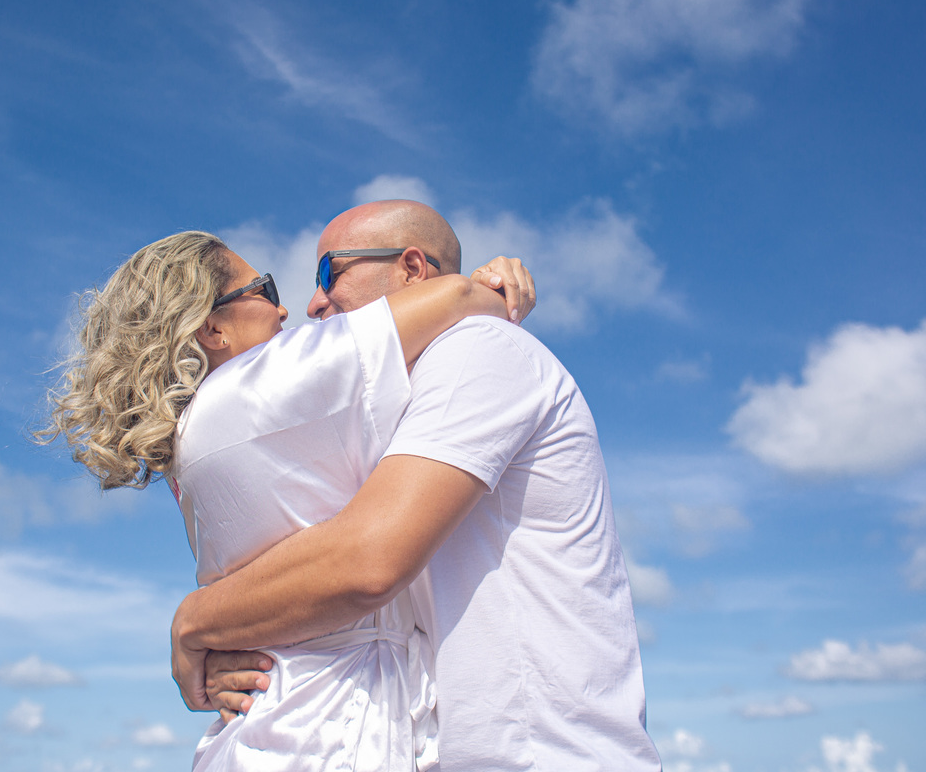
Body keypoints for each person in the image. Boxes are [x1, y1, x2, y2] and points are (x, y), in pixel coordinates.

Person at [171, 201, 663, 771]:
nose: (310, 304)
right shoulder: (383, 411)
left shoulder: (480, 348)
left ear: (410, 269)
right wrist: (237, 643)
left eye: (330, 273)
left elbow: (365, 559)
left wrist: (196, 622)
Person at [40, 230, 531, 771]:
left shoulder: (193, 443)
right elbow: (462, 300)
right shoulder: (260, 388)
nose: (284, 309)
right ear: (212, 325)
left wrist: (197, 625)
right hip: (333, 734)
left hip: (268, 728)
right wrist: (495, 283)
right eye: (262, 288)